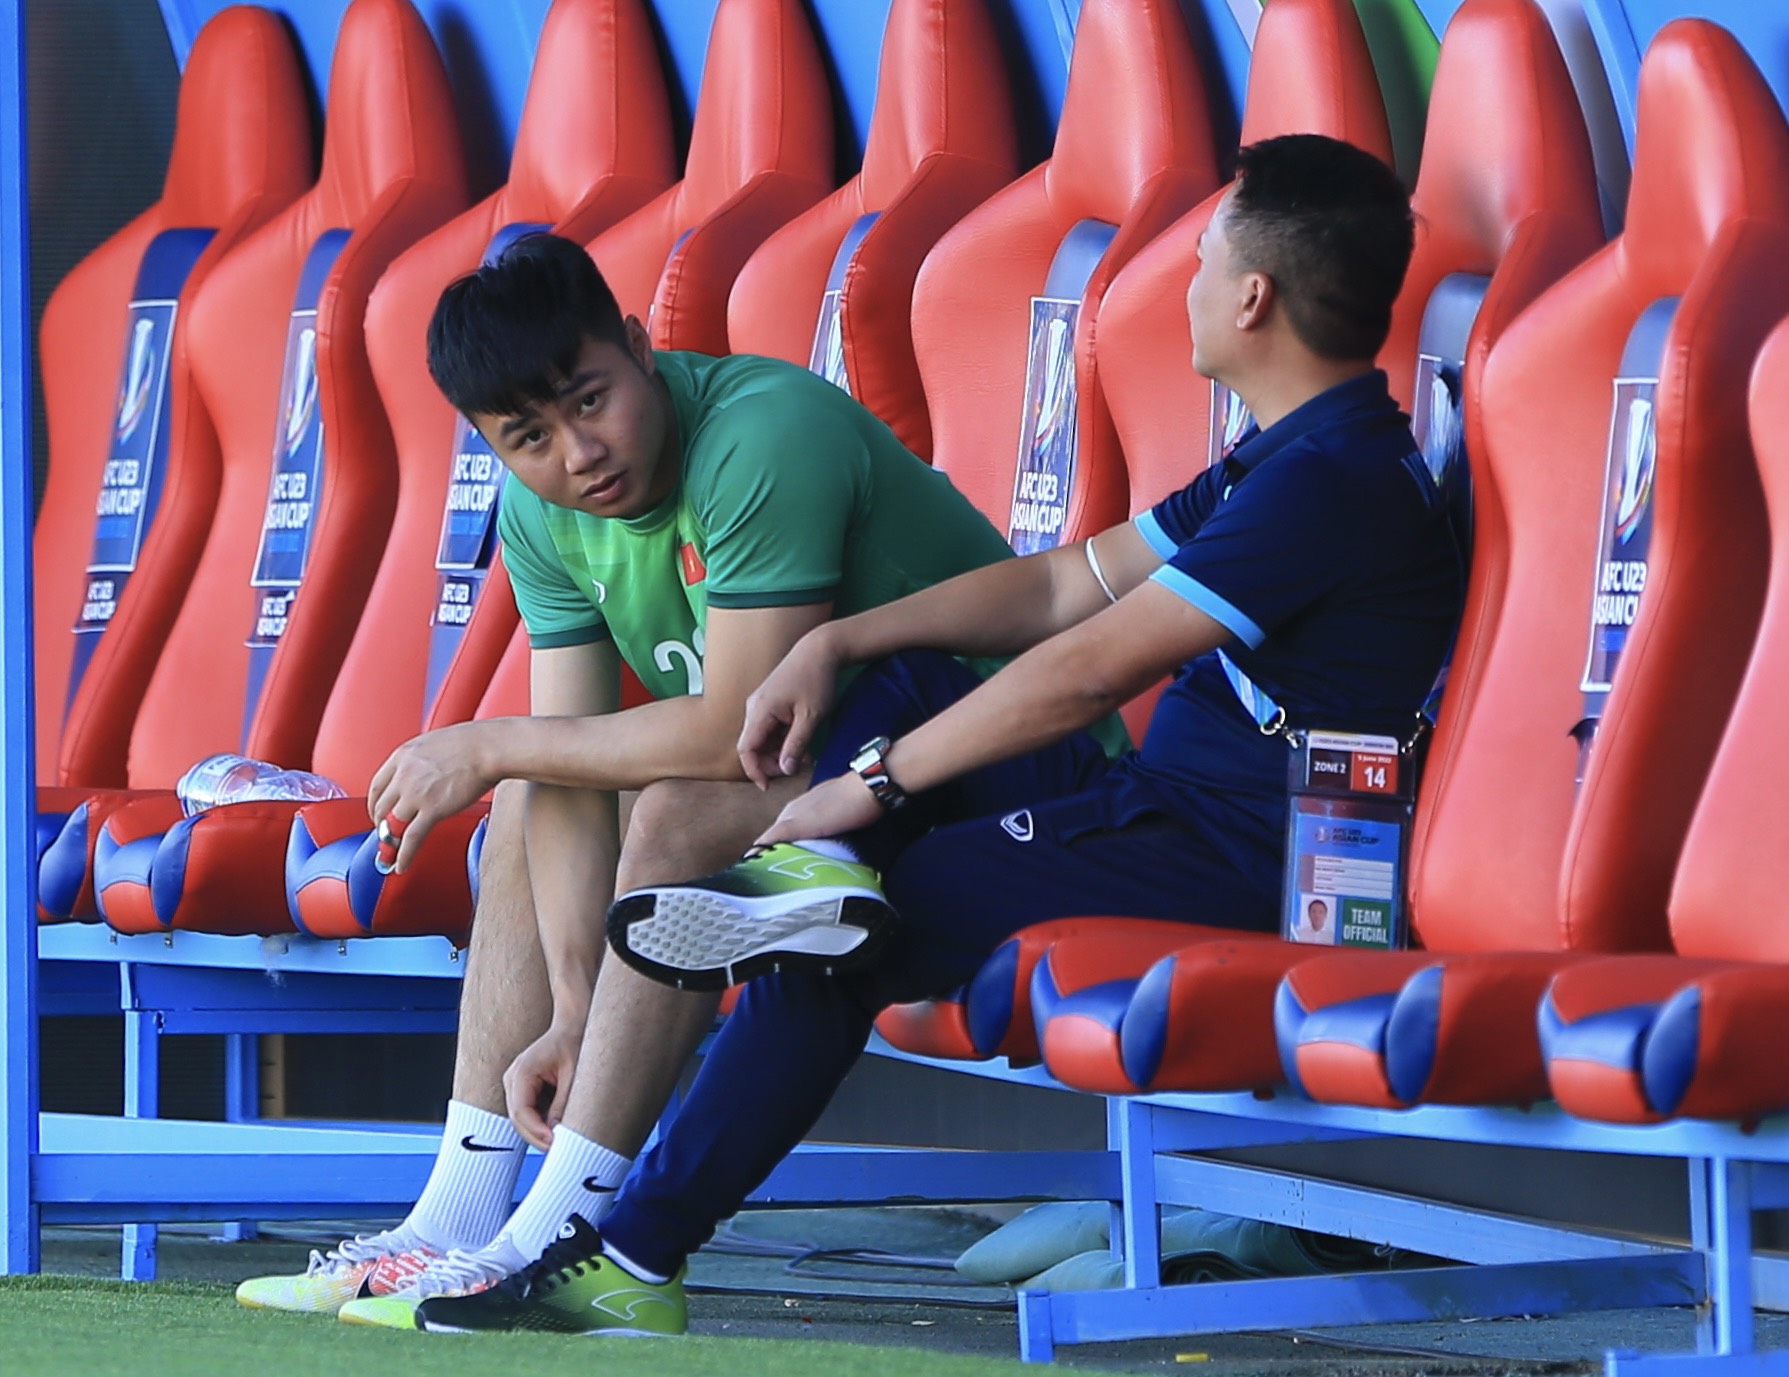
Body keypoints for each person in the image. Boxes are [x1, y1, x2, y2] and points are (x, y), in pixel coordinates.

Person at [410, 132, 1466, 1337]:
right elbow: (1064, 586)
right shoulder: (1275, 456)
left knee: (858, 928)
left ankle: (631, 1257)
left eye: (1199, 258)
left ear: (1251, 296)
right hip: (1163, 815)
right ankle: (808, 897)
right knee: (894, 712)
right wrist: (842, 643)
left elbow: (1083, 671)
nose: (1181, 281)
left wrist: (871, 783)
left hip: (1250, 856)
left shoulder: (1330, 480)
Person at [234, 232, 1041, 1325]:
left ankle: (565, 1240)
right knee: (533, 794)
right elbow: (563, 762)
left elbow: (728, 734)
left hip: (996, 757)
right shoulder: (539, 511)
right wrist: (574, 1016)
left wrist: (490, 740)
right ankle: (456, 1221)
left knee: (662, 807)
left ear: (634, 344)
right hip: (821, 780)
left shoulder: (762, 432)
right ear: (488, 444)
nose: (579, 452)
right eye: (529, 436)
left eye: (589, 400)